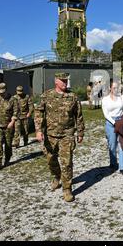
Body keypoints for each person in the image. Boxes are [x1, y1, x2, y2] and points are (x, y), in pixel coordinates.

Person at [34, 73, 85, 202]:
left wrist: (80, 132)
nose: (65, 83)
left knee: (67, 162)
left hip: (67, 135)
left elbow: (78, 116)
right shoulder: (46, 95)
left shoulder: (72, 97)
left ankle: (67, 189)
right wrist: (38, 130)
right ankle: (56, 176)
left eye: (66, 80)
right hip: (50, 134)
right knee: (51, 160)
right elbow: (39, 113)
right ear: (56, 81)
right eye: (62, 81)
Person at [0, 82, 19, 170]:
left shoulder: (12, 99)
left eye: (2, 92)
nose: (1, 94)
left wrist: (12, 122)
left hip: (8, 125)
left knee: (8, 144)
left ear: (5, 90)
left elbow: (16, 112)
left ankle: (7, 159)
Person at [102, 81, 123, 175]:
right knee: (112, 145)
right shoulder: (105, 99)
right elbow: (106, 114)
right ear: (110, 88)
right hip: (111, 123)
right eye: (114, 88)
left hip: (122, 121)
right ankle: (113, 164)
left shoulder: (122, 97)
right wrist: (114, 123)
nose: (116, 89)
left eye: (117, 88)